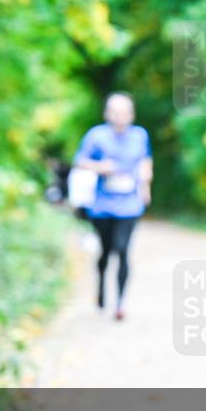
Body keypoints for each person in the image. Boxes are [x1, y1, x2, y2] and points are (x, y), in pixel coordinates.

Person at [73, 93, 152, 321]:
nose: (119, 117)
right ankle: (101, 288)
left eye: (124, 112)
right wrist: (101, 167)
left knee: (123, 249)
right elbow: (80, 161)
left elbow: (146, 159)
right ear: (107, 113)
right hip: (102, 205)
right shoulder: (96, 135)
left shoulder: (139, 135)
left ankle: (120, 303)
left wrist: (146, 182)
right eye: (115, 112)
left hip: (130, 204)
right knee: (106, 251)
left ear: (131, 114)